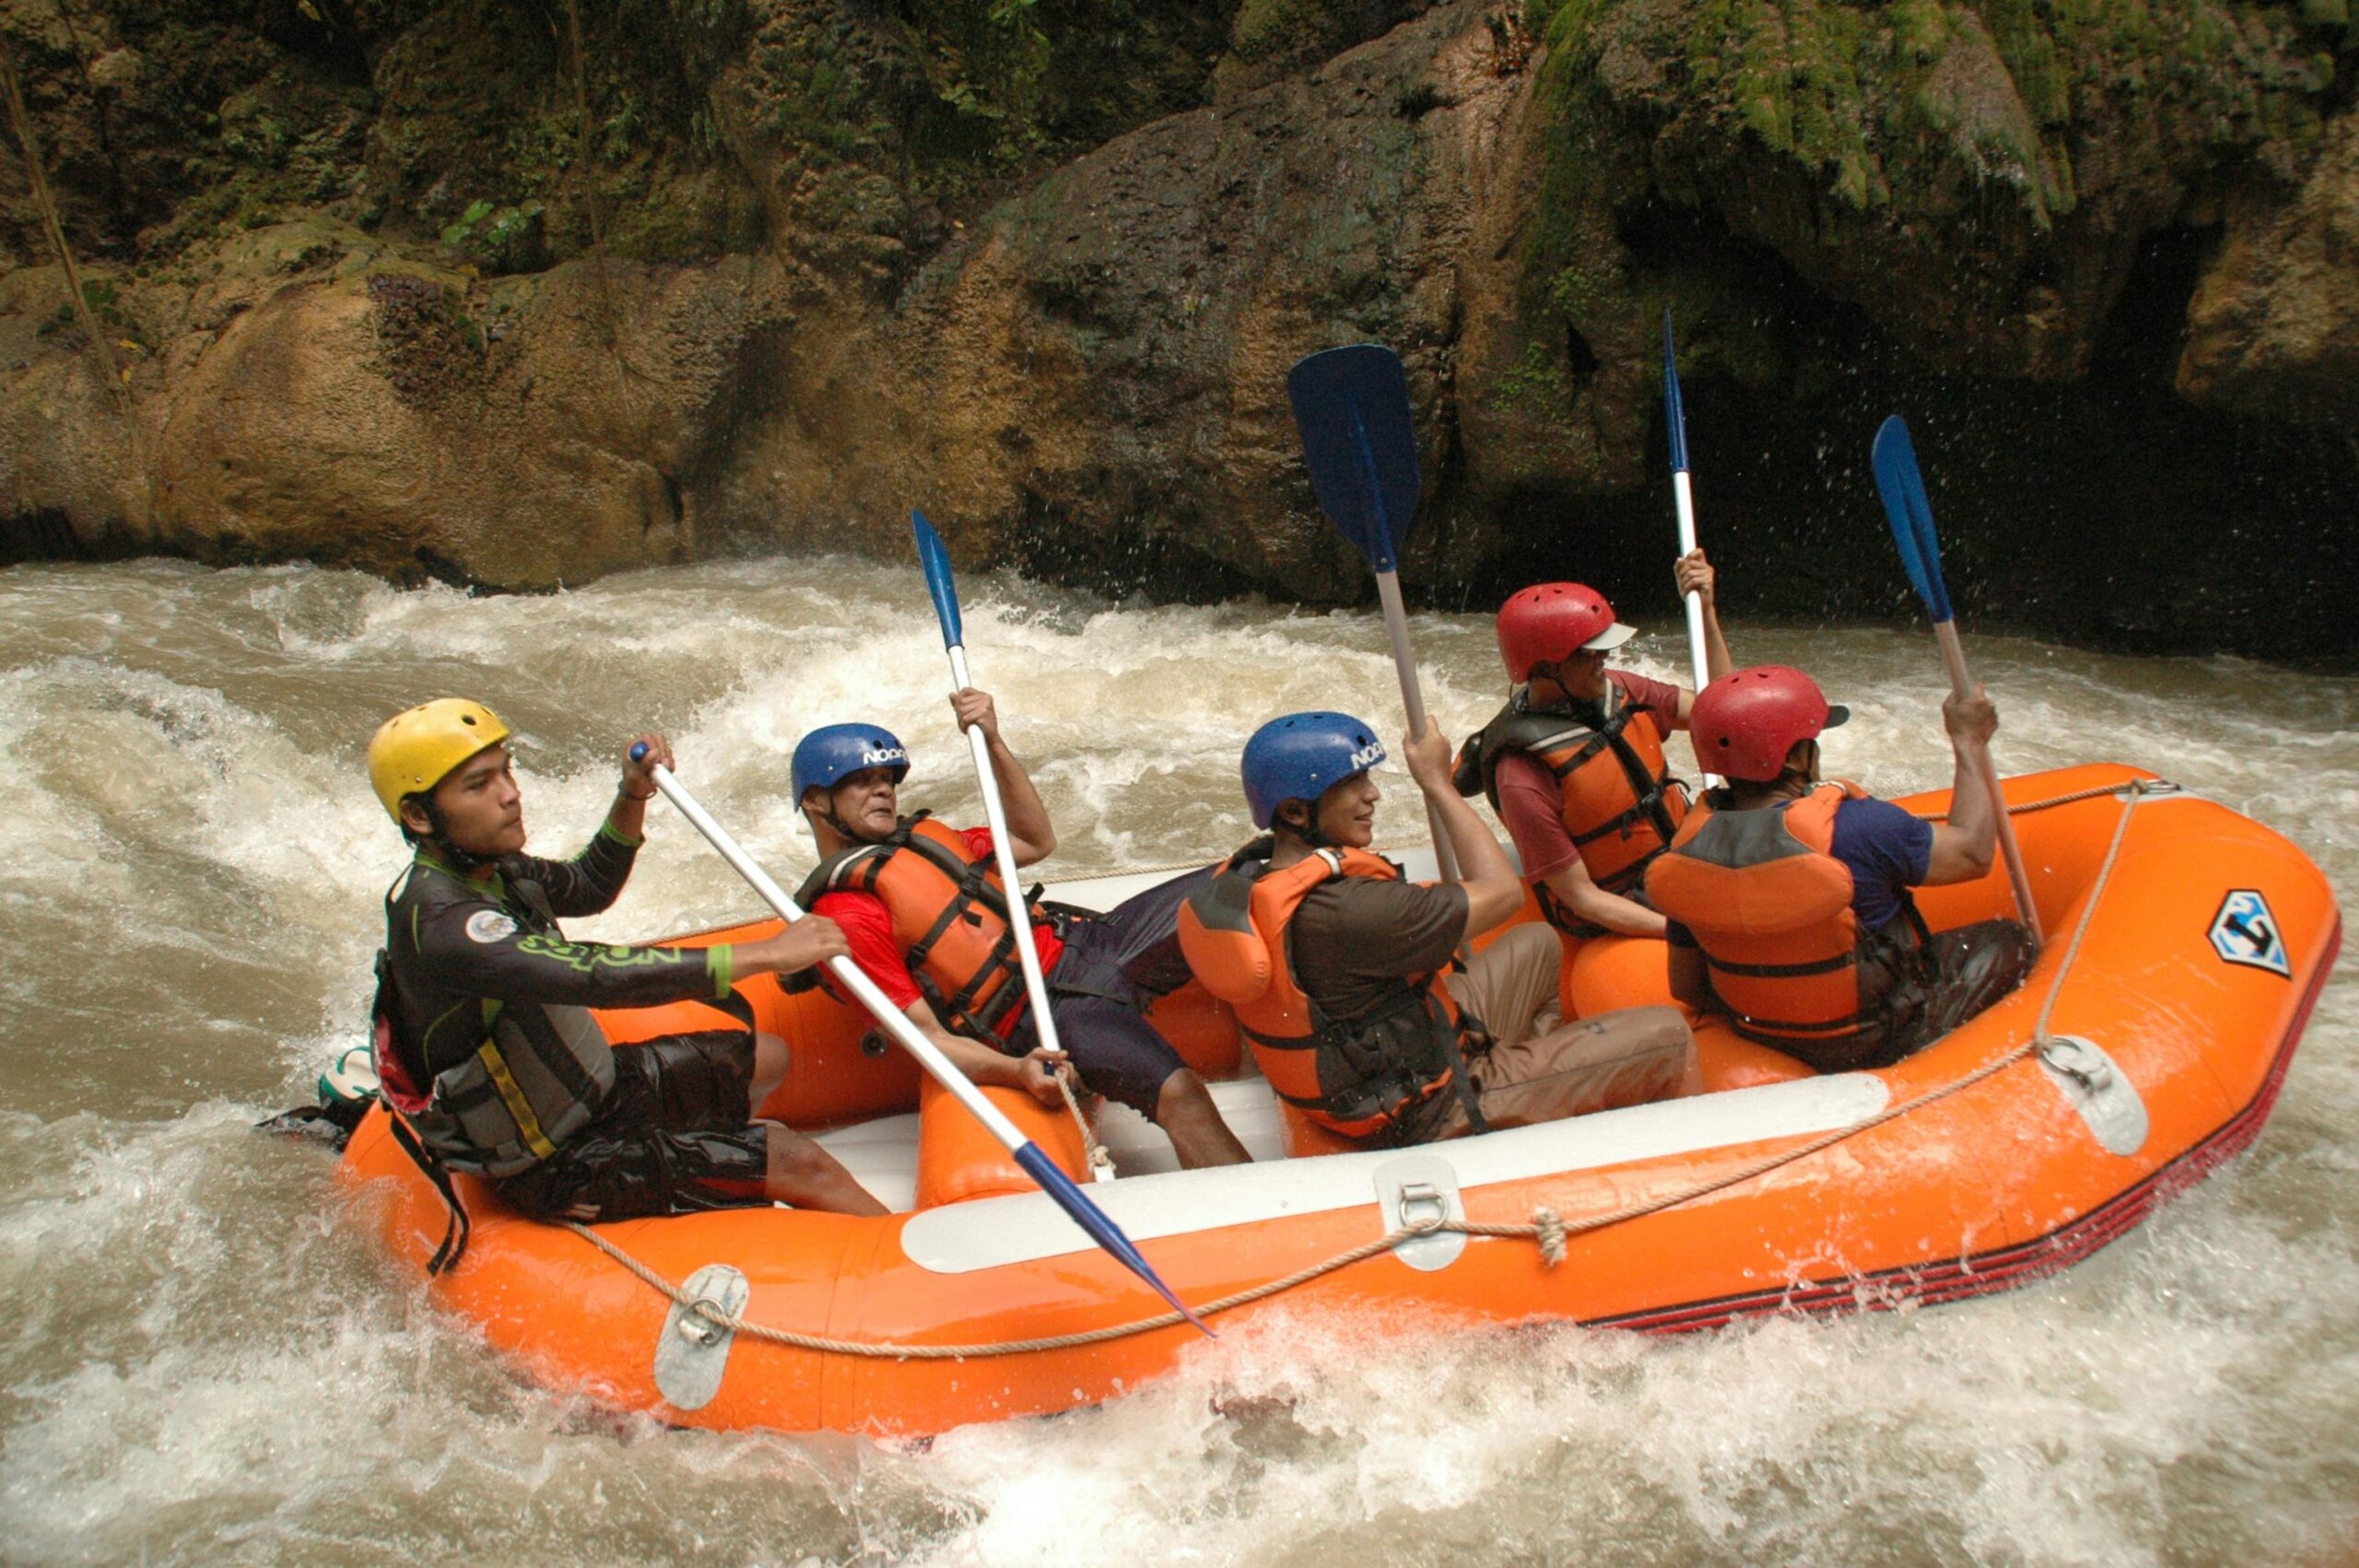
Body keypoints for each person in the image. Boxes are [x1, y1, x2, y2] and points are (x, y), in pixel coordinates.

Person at [366, 697, 885, 1258]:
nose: (510, 793)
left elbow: (588, 887)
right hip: (553, 1161)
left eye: (506, 771)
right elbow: (594, 976)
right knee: (794, 1159)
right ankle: (889, 1256)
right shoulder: (447, 928)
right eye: (478, 784)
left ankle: (703, 1185)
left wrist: (632, 793)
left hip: (600, 1095)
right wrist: (766, 954)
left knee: (769, 1056)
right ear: (420, 817)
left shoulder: (493, 869)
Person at [1180, 711, 1697, 1147]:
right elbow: (1502, 892)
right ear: (1296, 810)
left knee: (1536, 944)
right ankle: (1507, 1108)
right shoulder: (1349, 910)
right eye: (1353, 785)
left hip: (1381, 1056)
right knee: (1668, 1035)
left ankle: (1531, 1107)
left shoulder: (1254, 874)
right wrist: (1438, 784)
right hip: (1430, 1108)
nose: (1373, 795)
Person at [789, 693, 1250, 1168]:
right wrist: (1016, 1071)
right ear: (816, 801)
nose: (883, 791)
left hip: (1087, 946)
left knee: (1248, 879)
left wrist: (992, 740)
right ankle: (1249, 1227)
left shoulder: (928, 841)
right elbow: (925, 1040)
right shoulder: (847, 915)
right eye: (861, 782)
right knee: (1183, 1095)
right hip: (1042, 1010)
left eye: (885, 780)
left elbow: (1035, 840)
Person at [1644, 666, 2036, 1072]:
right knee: (2008, 939)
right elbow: (1973, 855)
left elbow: (1688, 987)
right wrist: (1969, 742)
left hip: (1760, 1032)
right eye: (1811, 741)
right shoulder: (1864, 826)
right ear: (1797, 757)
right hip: (1878, 1037)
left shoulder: (1687, 849)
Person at [1453, 553, 1731, 941]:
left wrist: (1706, 613)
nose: (1605, 659)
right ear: (1546, 667)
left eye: (1604, 649)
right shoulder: (1521, 774)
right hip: (1629, 907)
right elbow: (1583, 899)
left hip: (1683, 864)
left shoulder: (1620, 690)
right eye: (1590, 653)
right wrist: (1685, 933)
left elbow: (1728, 714)